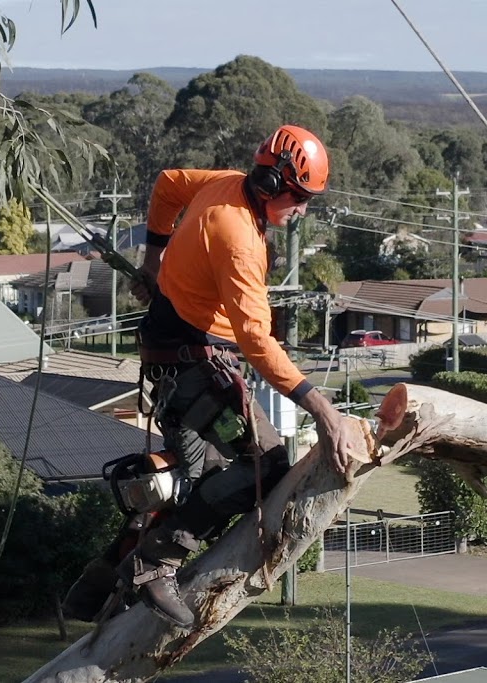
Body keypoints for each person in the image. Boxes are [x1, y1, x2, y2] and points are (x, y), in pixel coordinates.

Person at [63, 124, 353, 629]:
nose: (302, 210)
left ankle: (95, 584)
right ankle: (157, 563)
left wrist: (153, 257)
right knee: (265, 466)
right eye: (300, 198)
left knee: (194, 483)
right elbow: (257, 341)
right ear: (271, 185)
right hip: (194, 362)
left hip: (174, 351)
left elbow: (169, 182)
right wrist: (322, 409)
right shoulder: (239, 238)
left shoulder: (227, 183)